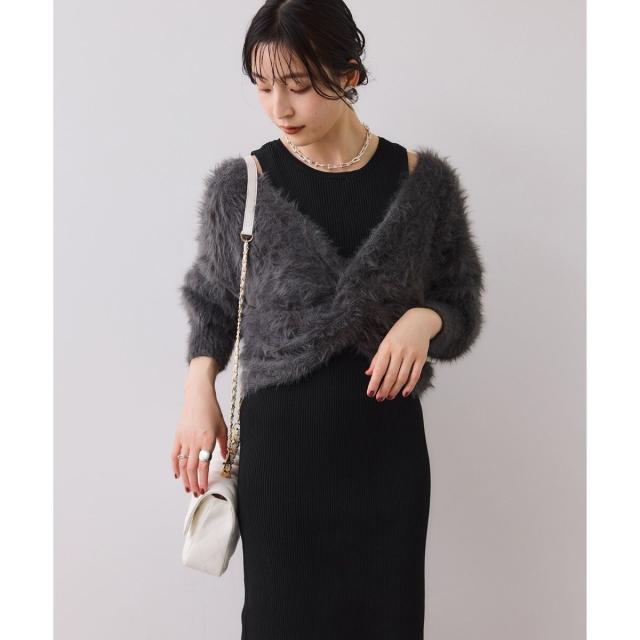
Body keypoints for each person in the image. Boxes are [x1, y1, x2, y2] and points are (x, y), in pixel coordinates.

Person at [171, 1, 485, 638]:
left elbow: (461, 306)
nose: (279, 107)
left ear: (349, 73)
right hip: (282, 458)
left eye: (298, 84)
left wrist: (424, 319)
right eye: (263, 86)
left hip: (386, 455)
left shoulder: (423, 184)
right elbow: (212, 305)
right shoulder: (244, 185)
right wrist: (197, 390)